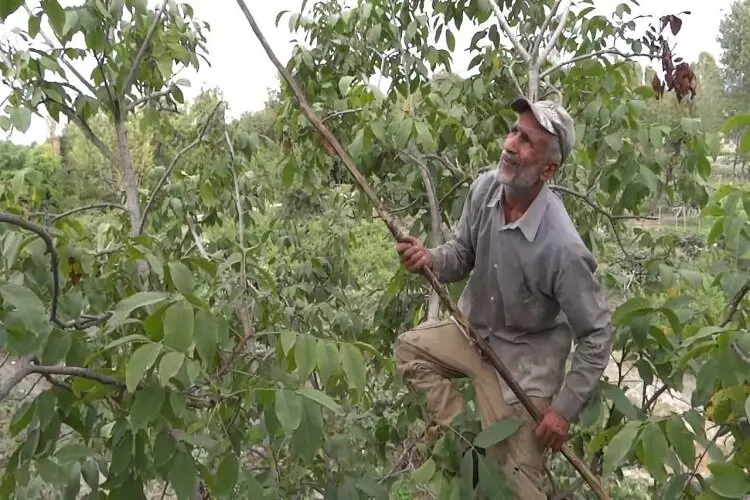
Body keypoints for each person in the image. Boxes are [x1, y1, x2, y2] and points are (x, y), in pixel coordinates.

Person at [394, 97, 613, 499]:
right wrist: (429, 258)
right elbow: (462, 253)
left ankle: (494, 464)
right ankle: (466, 446)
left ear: (549, 168)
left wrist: (562, 410)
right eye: (514, 131)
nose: (511, 144)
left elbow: (597, 335)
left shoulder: (562, 248)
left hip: (524, 369)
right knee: (411, 350)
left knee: (519, 490)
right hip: (475, 334)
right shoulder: (485, 189)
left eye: (527, 141)